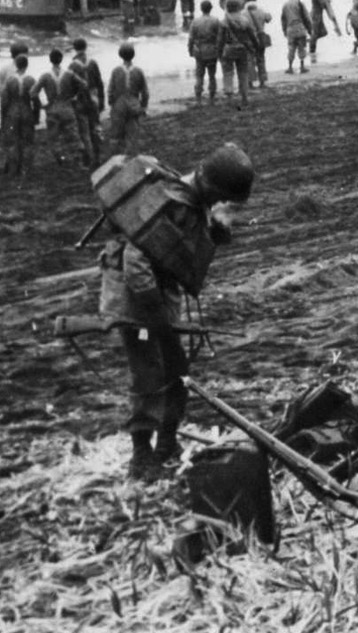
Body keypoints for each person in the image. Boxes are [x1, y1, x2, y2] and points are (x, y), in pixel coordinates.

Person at [98, 144, 254, 481]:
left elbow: (180, 247)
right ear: (209, 185)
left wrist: (215, 231)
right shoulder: (169, 202)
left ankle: (166, 445)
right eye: (219, 198)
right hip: (134, 303)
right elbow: (135, 263)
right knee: (148, 372)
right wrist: (158, 319)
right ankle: (141, 456)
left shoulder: (191, 202)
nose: (217, 204)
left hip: (158, 301)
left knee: (177, 370)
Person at [0, 53, 41, 178]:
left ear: (16, 65)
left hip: (12, 112)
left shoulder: (9, 79)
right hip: (26, 111)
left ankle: (13, 170)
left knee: (13, 142)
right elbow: (36, 100)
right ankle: (26, 170)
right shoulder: (31, 79)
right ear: (26, 65)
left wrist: (3, 117)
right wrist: (36, 116)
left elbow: (4, 101)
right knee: (27, 142)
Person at [38, 50, 78, 168]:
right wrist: (73, 97)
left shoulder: (45, 75)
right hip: (66, 107)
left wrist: (42, 105)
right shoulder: (69, 73)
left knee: (53, 137)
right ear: (61, 59)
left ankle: (60, 158)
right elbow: (83, 85)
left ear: (50, 60)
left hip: (52, 108)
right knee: (71, 135)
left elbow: (33, 92)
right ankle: (74, 159)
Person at [106, 44, 149, 153]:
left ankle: (115, 158)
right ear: (133, 55)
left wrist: (112, 104)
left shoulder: (116, 71)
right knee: (133, 134)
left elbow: (110, 90)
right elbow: (145, 92)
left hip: (119, 104)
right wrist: (143, 106)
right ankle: (131, 156)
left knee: (116, 134)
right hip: (134, 104)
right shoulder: (139, 71)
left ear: (120, 55)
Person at [219, 0, 258, 110]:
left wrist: (219, 53)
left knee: (228, 74)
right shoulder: (244, 20)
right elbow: (252, 36)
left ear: (227, 7)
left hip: (228, 49)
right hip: (242, 49)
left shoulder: (224, 21)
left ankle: (230, 98)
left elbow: (220, 39)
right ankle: (245, 98)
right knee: (243, 73)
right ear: (238, 7)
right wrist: (255, 48)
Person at [189, 0, 223, 100]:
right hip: (212, 51)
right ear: (211, 8)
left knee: (199, 75)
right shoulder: (215, 20)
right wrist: (220, 50)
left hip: (199, 51)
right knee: (212, 74)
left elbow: (191, 38)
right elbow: (220, 37)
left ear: (201, 9)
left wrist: (190, 50)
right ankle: (212, 93)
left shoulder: (195, 21)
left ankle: (198, 93)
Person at [280, 0, 311, 74]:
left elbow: (283, 19)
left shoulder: (285, 5)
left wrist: (284, 31)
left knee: (291, 48)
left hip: (290, 28)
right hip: (300, 27)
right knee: (301, 47)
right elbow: (307, 17)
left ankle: (290, 67)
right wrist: (310, 29)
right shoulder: (300, 3)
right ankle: (302, 67)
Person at [308, 0, 340, 64]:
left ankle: (310, 43)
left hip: (319, 17)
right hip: (314, 17)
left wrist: (335, 24)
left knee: (324, 33)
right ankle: (312, 53)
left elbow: (329, 11)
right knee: (315, 35)